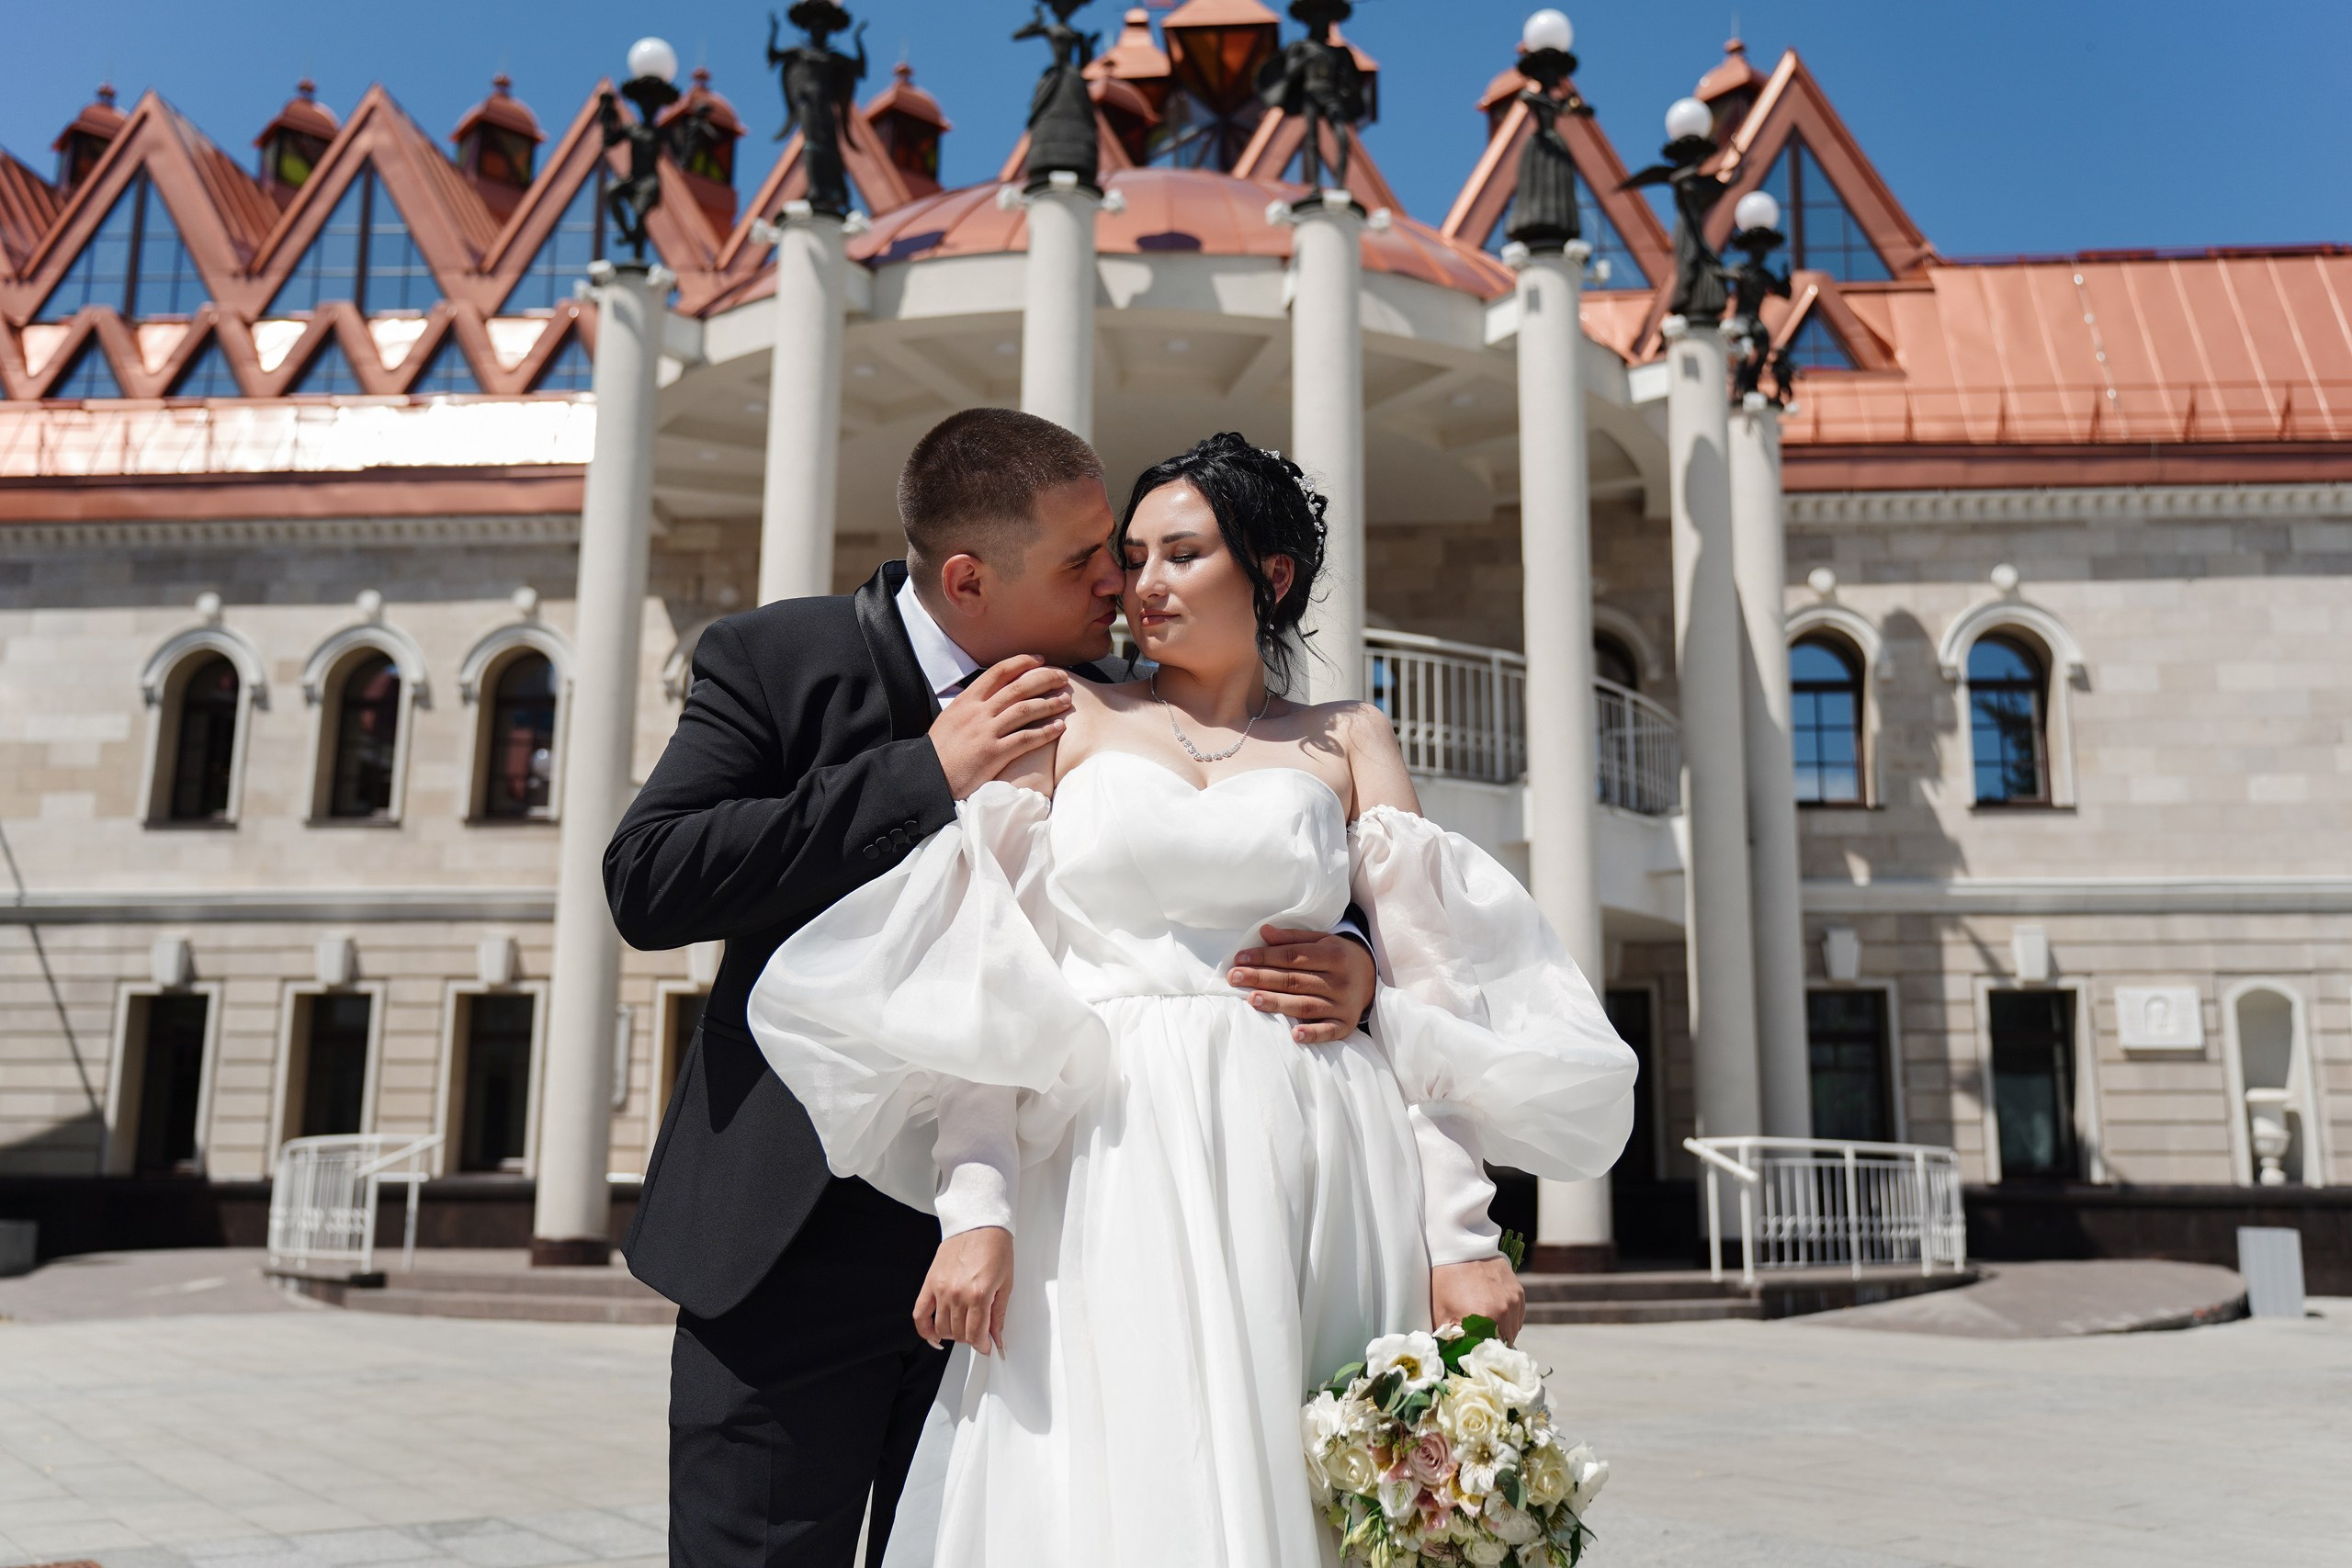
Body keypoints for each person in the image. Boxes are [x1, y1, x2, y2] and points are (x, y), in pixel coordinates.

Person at [746, 433, 1638, 1566]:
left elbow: (1434, 1000)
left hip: (1320, 1154)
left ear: (1266, 577)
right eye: (1131, 555)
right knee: (1115, 1482)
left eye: (1180, 553)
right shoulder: (1062, 713)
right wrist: (976, 1212)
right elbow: (990, 979)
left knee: (1303, 1478)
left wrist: (1461, 1237)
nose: (1141, 585)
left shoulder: (1349, 737)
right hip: (1109, 1158)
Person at [606, 411, 1386, 1568]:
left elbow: (1259, 838)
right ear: (969, 577)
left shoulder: (1112, 697)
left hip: (1051, 1241)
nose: (1120, 587)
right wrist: (924, 771)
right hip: (794, 1236)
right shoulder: (777, 659)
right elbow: (651, 878)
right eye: (1089, 563)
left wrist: (1360, 955)